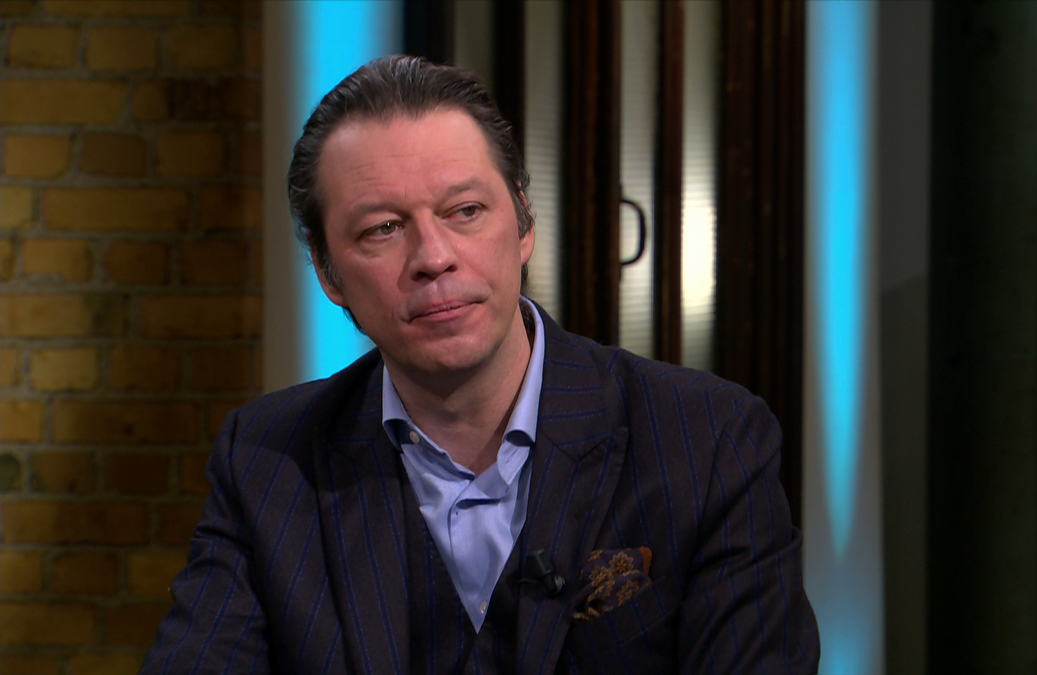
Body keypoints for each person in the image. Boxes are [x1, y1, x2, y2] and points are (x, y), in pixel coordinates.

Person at [141, 55, 818, 674]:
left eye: (465, 211)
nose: (433, 257)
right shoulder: (266, 462)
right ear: (327, 271)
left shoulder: (708, 438)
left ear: (523, 222)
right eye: (382, 228)